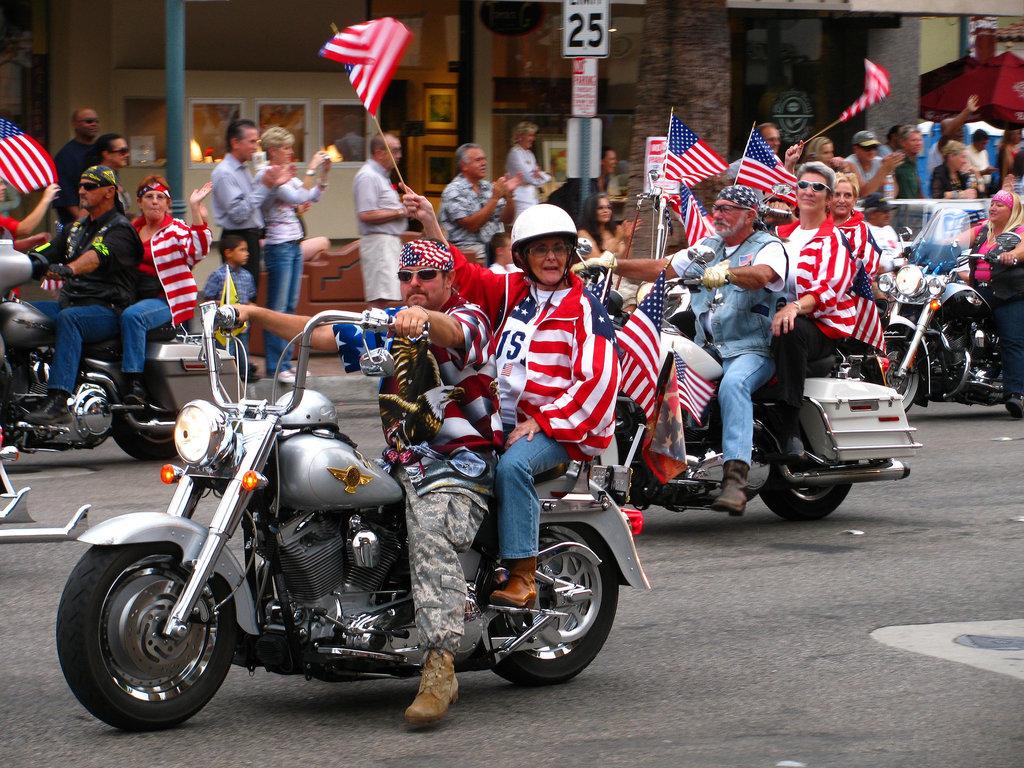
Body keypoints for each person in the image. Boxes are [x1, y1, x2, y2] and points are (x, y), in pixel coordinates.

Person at [231, 237, 501, 725]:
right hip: (402, 458)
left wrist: (422, 320)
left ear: (448, 280)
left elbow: (453, 332)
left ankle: (440, 665)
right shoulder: (392, 323)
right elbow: (319, 334)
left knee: (430, 528)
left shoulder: (469, 316)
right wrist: (255, 313)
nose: (414, 285)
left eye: (426, 277)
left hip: (460, 461)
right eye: (406, 277)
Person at [408, 194, 618, 608]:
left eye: (559, 248)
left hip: (562, 426)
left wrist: (542, 421)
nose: (552, 257)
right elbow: (460, 274)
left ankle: (522, 575)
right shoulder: (510, 290)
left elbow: (598, 381)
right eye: (541, 249)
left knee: (513, 466)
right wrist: (431, 221)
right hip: (503, 421)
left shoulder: (585, 309)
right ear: (523, 255)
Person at [578, 186, 789, 515]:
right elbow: (663, 266)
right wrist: (613, 264)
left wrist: (729, 273)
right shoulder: (710, 247)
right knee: (662, 367)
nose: (717, 214)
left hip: (752, 349)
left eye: (727, 209)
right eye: (716, 207)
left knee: (734, 384)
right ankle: (666, 461)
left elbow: (764, 275)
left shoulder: (768, 246)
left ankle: (735, 478)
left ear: (749, 215)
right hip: (711, 346)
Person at [25, 166, 143, 425]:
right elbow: (44, 252)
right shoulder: (75, 229)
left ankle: (58, 401)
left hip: (106, 310)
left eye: (89, 186)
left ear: (109, 192)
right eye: (80, 185)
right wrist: (25, 263)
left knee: (70, 319)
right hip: (73, 303)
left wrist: (68, 269)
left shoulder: (120, 230)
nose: (81, 190)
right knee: (18, 313)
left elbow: (97, 256)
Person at [770, 162, 855, 457]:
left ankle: (790, 427)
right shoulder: (778, 234)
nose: (809, 191)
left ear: (829, 199)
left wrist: (794, 307)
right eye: (803, 185)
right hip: (771, 315)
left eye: (818, 187)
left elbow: (827, 291)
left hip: (820, 325)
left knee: (789, 330)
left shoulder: (833, 240)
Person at [120, 176, 212, 404]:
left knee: (133, 317)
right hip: (130, 294)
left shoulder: (175, 229)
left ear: (167, 204)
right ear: (139, 202)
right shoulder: (130, 230)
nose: (154, 202)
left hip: (165, 300)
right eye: (149, 197)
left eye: (160, 197)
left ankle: (134, 383)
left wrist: (195, 211)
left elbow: (196, 252)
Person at [256, 127, 331, 383]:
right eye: (286, 148)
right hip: (278, 247)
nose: (290, 152)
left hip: (293, 244)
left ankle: (286, 364)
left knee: (289, 308)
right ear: (273, 150)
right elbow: (297, 196)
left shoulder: (287, 174)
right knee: (278, 310)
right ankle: (276, 365)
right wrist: (311, 168)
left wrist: (324, 174)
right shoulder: (266, 174)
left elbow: (311, 196)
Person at [963, 189, 1024, 418]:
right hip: (980, 292)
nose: (993, 208)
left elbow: (1022, 249)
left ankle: (1016, 395)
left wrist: (1012, 255)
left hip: (1008, 294)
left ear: (1012, 211)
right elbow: (951, 241)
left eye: (1000, 205)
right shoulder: (982, 231)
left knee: (1012, 340)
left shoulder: (1019, 231)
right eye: (993, 203)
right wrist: (925, 247)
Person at [210, 118, 291, 281]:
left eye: (257, 142)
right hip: (237, 238)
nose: (256, 147)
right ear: (235, 143)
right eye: (252, 142)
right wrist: (266, 186)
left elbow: (255, 203)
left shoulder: (244, 168)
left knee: (250, 293)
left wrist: (274, 186)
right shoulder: (225, 172)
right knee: (240, 296)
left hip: (251, 237)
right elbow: (238, 213)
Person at [439, 143, 520, 262]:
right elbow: (472, 225)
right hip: (467, 252)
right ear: (464, 166)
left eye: (484, 159)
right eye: (478, 160)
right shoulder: (453, 190)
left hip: (495, 250)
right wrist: (494, 198)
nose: (484, 163)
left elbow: (507, 219)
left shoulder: (488, 187)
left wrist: (509, 195)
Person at [353, 132, 406, 309]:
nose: (399, 156)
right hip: (378, 243)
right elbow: (366, 214)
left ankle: (378, 336)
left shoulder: (382, 176)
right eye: (395, 151)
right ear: (379, 152)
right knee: (379, 300)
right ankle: (369, 337)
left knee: (389, 295)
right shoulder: (368, 176)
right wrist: (400, 211)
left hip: (388, 243)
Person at [202, 234, 256, 375]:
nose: (247, 253)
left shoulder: (247, 276)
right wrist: (226, 305)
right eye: (242, 250)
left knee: (243, 355)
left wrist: (252, 309)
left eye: (246, 250)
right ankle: (228, 378)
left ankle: (245, 377)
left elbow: (249, 299)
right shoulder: (218, 275)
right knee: (227, 355)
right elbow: (208, 300)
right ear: (228, 253)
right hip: (223, 328)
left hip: (242, 326)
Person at [577, 191, 640, 307]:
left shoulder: (614, 230)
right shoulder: (582, 234)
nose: (606, 211)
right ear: (591, 211)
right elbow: (597, 263)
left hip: (618, 278)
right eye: (600, 208)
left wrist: (627, 239)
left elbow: (625, 260)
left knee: (640, 296)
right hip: (597, 281)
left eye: (608, 207)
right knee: (628, 297)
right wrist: (617, 239)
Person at [52, 108, 99, 225]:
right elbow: (65, 192)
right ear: (75, 124)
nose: (94, 124)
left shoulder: (100, 151)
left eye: (96, 121)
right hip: (78, 222)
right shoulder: (66, 155)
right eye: (88, 121)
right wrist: (81, 220)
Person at [831, 173, 881, 276]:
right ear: (828, 198)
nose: (841, 200)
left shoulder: (861, 229)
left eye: (847, 195)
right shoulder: (817, 223)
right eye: (837, 194)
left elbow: (862, 268)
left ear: (855, 200)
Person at [505, 121, 550, 218]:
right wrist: (538, 175)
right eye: (530, 135)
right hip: (521, 198)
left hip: (533, 197)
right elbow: (528, 177)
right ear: (519, 136)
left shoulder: (530, 154)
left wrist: (540, 175)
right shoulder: (515, 153)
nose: (533, 139)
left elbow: (546, 177)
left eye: (533, 135)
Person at [844, 130, 904, 198]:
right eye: (868, 148)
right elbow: (863, 193)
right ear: (855, 149)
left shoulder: (879, 161)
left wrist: (890, 171)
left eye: (875, 147)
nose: (872, 151)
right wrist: (884, 168)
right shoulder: (849, 163)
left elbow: (891, 194)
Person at [85, 133, 132, 216]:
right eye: (122, 151)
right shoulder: (95, 179)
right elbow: (86, 214)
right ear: (106, 154)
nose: (127, 155)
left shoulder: (112, 176)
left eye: (127, 150)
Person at [862, 193, 901, 274]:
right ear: (872, 214)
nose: (888, 215)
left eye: (889, 211)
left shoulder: (889, 230)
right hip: (874, 279)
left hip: (897, 275)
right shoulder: (862, 231)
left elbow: (897, 253)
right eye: (884, 212)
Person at [893, 126, 925, 199]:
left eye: (920, 140)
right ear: (902, 142)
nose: (918, 143)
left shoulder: (916, 160)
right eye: (914, 140)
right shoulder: (897, 160)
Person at [965, 128, 995, 195]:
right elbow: (967, 174)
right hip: (975, 186)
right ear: (975, 142)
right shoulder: (967, 152)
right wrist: (983, 172)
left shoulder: (984, 152)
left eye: (986, 143)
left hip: (987, 186)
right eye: (983, 143)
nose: (985, 146)